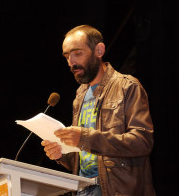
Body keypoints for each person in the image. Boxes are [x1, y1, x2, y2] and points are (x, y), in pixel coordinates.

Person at [42, 25, 156, 196]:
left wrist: (85, 137)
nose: (71, 62)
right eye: (67, 56)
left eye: (78, 53)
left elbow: (142, 142)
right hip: (83, 189)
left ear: (99, 50)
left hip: (116, 190)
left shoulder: (127, 86)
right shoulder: (80, 96)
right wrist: (61, 154)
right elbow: (84, 157)